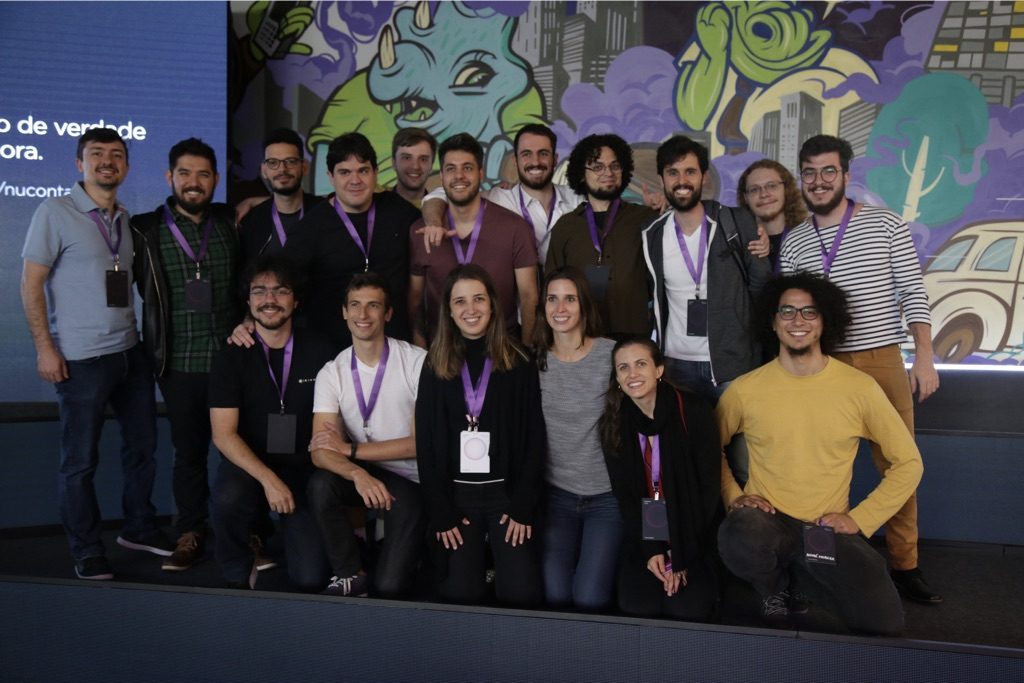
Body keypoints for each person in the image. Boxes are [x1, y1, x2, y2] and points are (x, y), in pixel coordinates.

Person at [779, 134, 941, 605]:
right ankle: (823, 562)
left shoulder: (886, 225)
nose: (819, 180)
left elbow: (913, 290)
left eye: (828, 171)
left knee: (897, 463)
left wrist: (924, 356)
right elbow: (791, 313)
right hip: (821, 367)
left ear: (846, 176)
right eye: (809, 173)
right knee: (820, 470)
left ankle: (905, 565)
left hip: (879, 358)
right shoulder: (795, 242)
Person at [717, 272, 923, 635]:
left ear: (825, 321)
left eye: (810, 313)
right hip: (767, 520)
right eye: (788, 312)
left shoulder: (859, 388)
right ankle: (773, 590)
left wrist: (860, 519)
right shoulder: (746, 389)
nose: (798, 321)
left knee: (885, 624)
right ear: (773, 321)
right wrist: (735, 496)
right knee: (740, 534)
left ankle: (798, 578)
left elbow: (909, 462)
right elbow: (707, 450)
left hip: (825, 527)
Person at [21, 128, 170, 580]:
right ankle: (86, 549)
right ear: (78, 163)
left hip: (130, 353)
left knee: (142, 448)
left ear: (126, 166)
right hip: (81, 360)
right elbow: (30, 285)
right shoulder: (55, 212)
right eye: (97, 154)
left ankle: (139, 527)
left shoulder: (124, 218)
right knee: (80, 462)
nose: (108, 161)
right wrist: (46, 348)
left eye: (117, 155)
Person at [131, 137, 240, 572]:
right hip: (177, 363)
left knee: (242, 449)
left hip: (231, 360)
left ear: (215, 179)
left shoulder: (233, 221)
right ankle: (191, 532)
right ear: (169, 177)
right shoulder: (144, 229)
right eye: (185, 173)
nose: (194, 183)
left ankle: (247, 533)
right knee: (189, 454)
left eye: (203, 174)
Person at [415, 264, 544, 607]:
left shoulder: (519, 361)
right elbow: (425, 445)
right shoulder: (433, 366)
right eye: (460, 302)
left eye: (478, 299)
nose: (470, 310)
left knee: (520, 595)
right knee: (461, 595)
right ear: (449, 310)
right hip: (458, 501)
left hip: (507, 498)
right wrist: (440, 510)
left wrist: (522, 505)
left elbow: (535, 439)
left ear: (493, 304)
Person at [209, 255, 333, 590]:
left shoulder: (322, 350)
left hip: (303, 468)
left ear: (296, 299)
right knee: (228, 497)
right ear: (248, 301)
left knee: (312, 578)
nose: (270, 300)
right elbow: (223, 435)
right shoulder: (232, 355)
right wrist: (269, 480)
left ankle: (274, 538)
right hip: (251, 466)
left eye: (280, 291)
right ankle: (237, 561)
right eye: (260, 291)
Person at [307, 273, 427, 598]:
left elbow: (420, 445)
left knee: (389, 586)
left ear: (388, 313)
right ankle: (350, 572)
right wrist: (358, 474)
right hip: (365, 472)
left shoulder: (416, 362)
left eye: (373, 306)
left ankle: (406, 556)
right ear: (344, 312)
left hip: (411, 479)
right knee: (321, 485)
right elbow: (320, 451)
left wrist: (350, 450)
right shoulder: (332, 372)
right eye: (355, 306)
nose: (363, 315)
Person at [597, 338, 722, 621]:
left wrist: (679, 554)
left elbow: (708, 492)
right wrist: (652, 550)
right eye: (623, 368)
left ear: (659, 369)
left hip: (692, 533)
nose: (633, 374)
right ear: (616, 378)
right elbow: (626, 497)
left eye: (641, 364)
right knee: (636, 605)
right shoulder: (614, 423)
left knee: (686, 608)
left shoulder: (694, 411)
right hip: (645, 531)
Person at [642, 135, 770, 406]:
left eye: (690, 171)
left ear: (704, 177)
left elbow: (762, 289)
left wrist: (754, 351)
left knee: (739, 447)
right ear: (662, 178)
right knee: (688, 447)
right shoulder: (652, 234)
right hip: (675, 365)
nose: (682, 181)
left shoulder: (735, 222)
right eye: (672, 173)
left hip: (732, 364)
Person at [279, 132, 420, 348]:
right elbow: (283, 287)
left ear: (375, 173)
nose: (355, 180)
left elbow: (435, 204)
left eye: (363, 170)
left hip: (395, 350)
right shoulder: (309, 229)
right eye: (345, 172)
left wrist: (435, 214)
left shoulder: (400, 212)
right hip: (333, 352)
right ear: (330, 177)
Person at [533, 267, 621, 611]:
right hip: (557, 498)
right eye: (552, 299)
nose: (561, 307)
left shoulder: (613, 356)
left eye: (570, 298)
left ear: (584, 304)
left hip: (605, 499)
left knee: (589, 599)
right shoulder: (534, 361)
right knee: (555, 596)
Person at [409, 133, 539, 347]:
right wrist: (420, 350)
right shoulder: (420, 232)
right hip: (442, 351)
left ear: (481, 173)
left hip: (501, 350)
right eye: (451, 169)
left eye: (467, 168)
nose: (459, 176)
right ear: (441, 176)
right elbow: (415, 300)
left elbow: (529, 296)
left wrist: (527, 352)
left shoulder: (514, 227)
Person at [545, 133, 656, 339]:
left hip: (633, 336)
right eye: (597, 167)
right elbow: (552, 285)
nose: (608, 172)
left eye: (615, 166)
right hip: (580, 336)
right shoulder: (566, 226)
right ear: (581, 174)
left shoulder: (647, 219)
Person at [238, 128, 322, 266]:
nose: (282, 169)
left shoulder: (323, 213)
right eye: (273, 162)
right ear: (263, 171)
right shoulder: (251, 220)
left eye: (290, 161)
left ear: (304, 167)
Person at [736, 159, 806, 269]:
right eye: (754, 189)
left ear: (786, 190)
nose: (764, 194)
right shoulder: (738, 244)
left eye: (772, 186)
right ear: (746, 198)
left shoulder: (806, 238)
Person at [389, 127, 437, 207]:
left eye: (423, 159)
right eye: (407, 158)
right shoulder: (374, 206)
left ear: (431, 165)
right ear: (394, 163)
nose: (415, 166)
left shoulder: (442, 214)